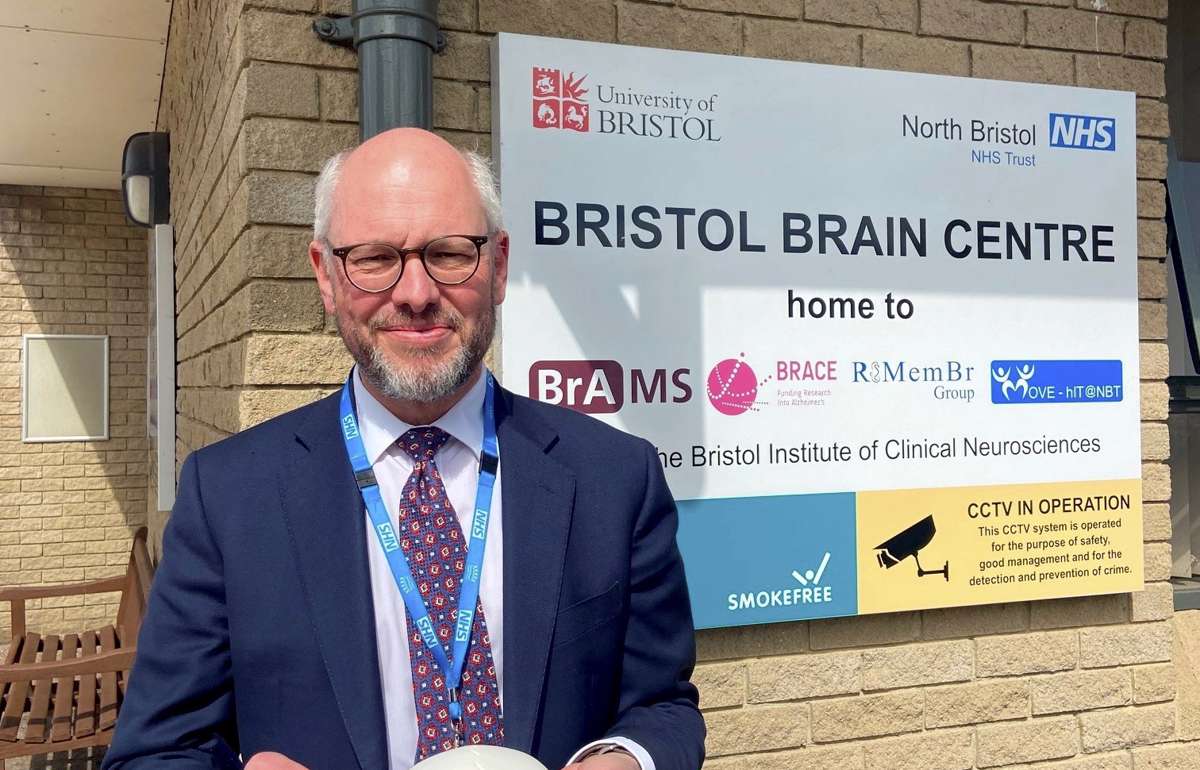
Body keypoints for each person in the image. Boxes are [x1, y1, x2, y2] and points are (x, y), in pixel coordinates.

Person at [102, 128, 705, 770]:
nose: (416, 294)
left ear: (499, 265)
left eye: (449, 253)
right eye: (374, 258)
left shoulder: (616, 477)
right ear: (326, 275)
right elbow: (157, 750)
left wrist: (628, 759)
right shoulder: (227, 497)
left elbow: (663, 707)